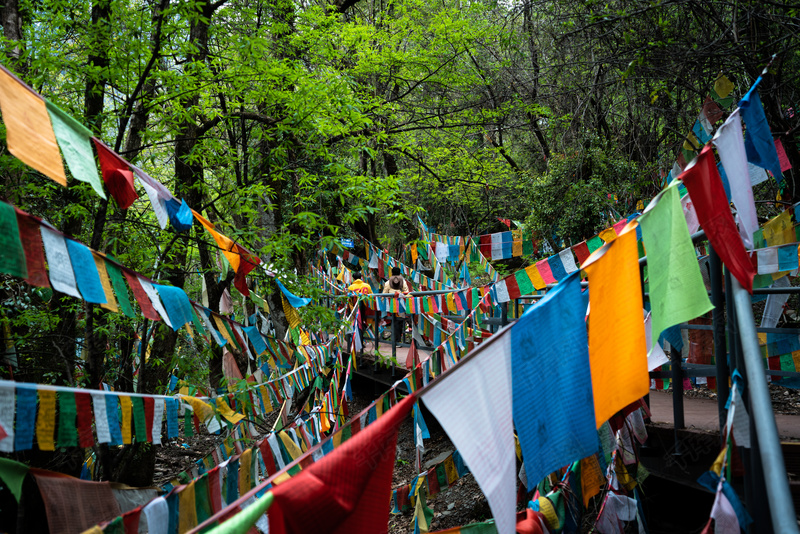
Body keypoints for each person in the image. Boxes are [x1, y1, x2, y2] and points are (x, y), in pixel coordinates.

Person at [382, 267, 410, 343]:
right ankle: (398, 339)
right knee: (400, 322)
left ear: (392, 273)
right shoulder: (403, 281)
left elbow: (384, 294)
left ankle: (396, 340)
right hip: (401, 304)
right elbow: (406, 292)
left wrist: (382, 302)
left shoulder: (388, 282)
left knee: (394, 322)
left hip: (391, 304)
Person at [347, 272, 371, 355]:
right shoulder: (367, 286)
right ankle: (361, 341)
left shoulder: (351, 287)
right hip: (365, 309)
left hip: (354, 309)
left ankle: (354, 342)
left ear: (353, 278)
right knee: (363, 325)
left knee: (355, 325)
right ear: (361, 277)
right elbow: (371, 297)